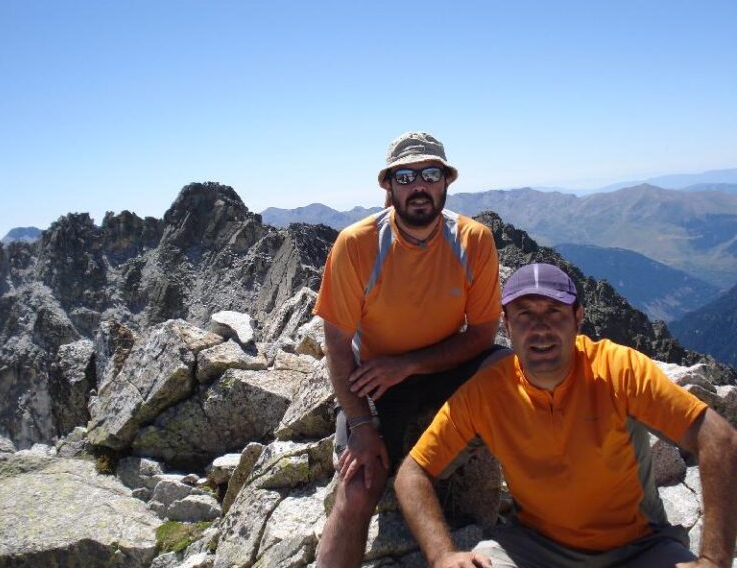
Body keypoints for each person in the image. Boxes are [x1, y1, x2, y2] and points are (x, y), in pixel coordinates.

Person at [395, 262, 737, 568]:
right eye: (525, 313)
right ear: (507, 323)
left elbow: (718, 437)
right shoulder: (486, 394)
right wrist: (442, 554)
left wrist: (713, 559)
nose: (540, 327)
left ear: (578, 318)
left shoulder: (618, 370)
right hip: (533, 547)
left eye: (555, 311)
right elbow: (413, 472)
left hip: (639, 547)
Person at [312, 131, 505, 568]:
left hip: (437, 368)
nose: (418, 186)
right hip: (376, 383)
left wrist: (408, 364)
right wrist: (360, 425)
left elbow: (481, 337)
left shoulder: (474, 241)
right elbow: (338, 344)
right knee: (360, 484)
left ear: (446, 183)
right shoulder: (357, 245)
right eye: (405, 176)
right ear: (388, 186)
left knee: (508, 370)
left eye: (429, 173)